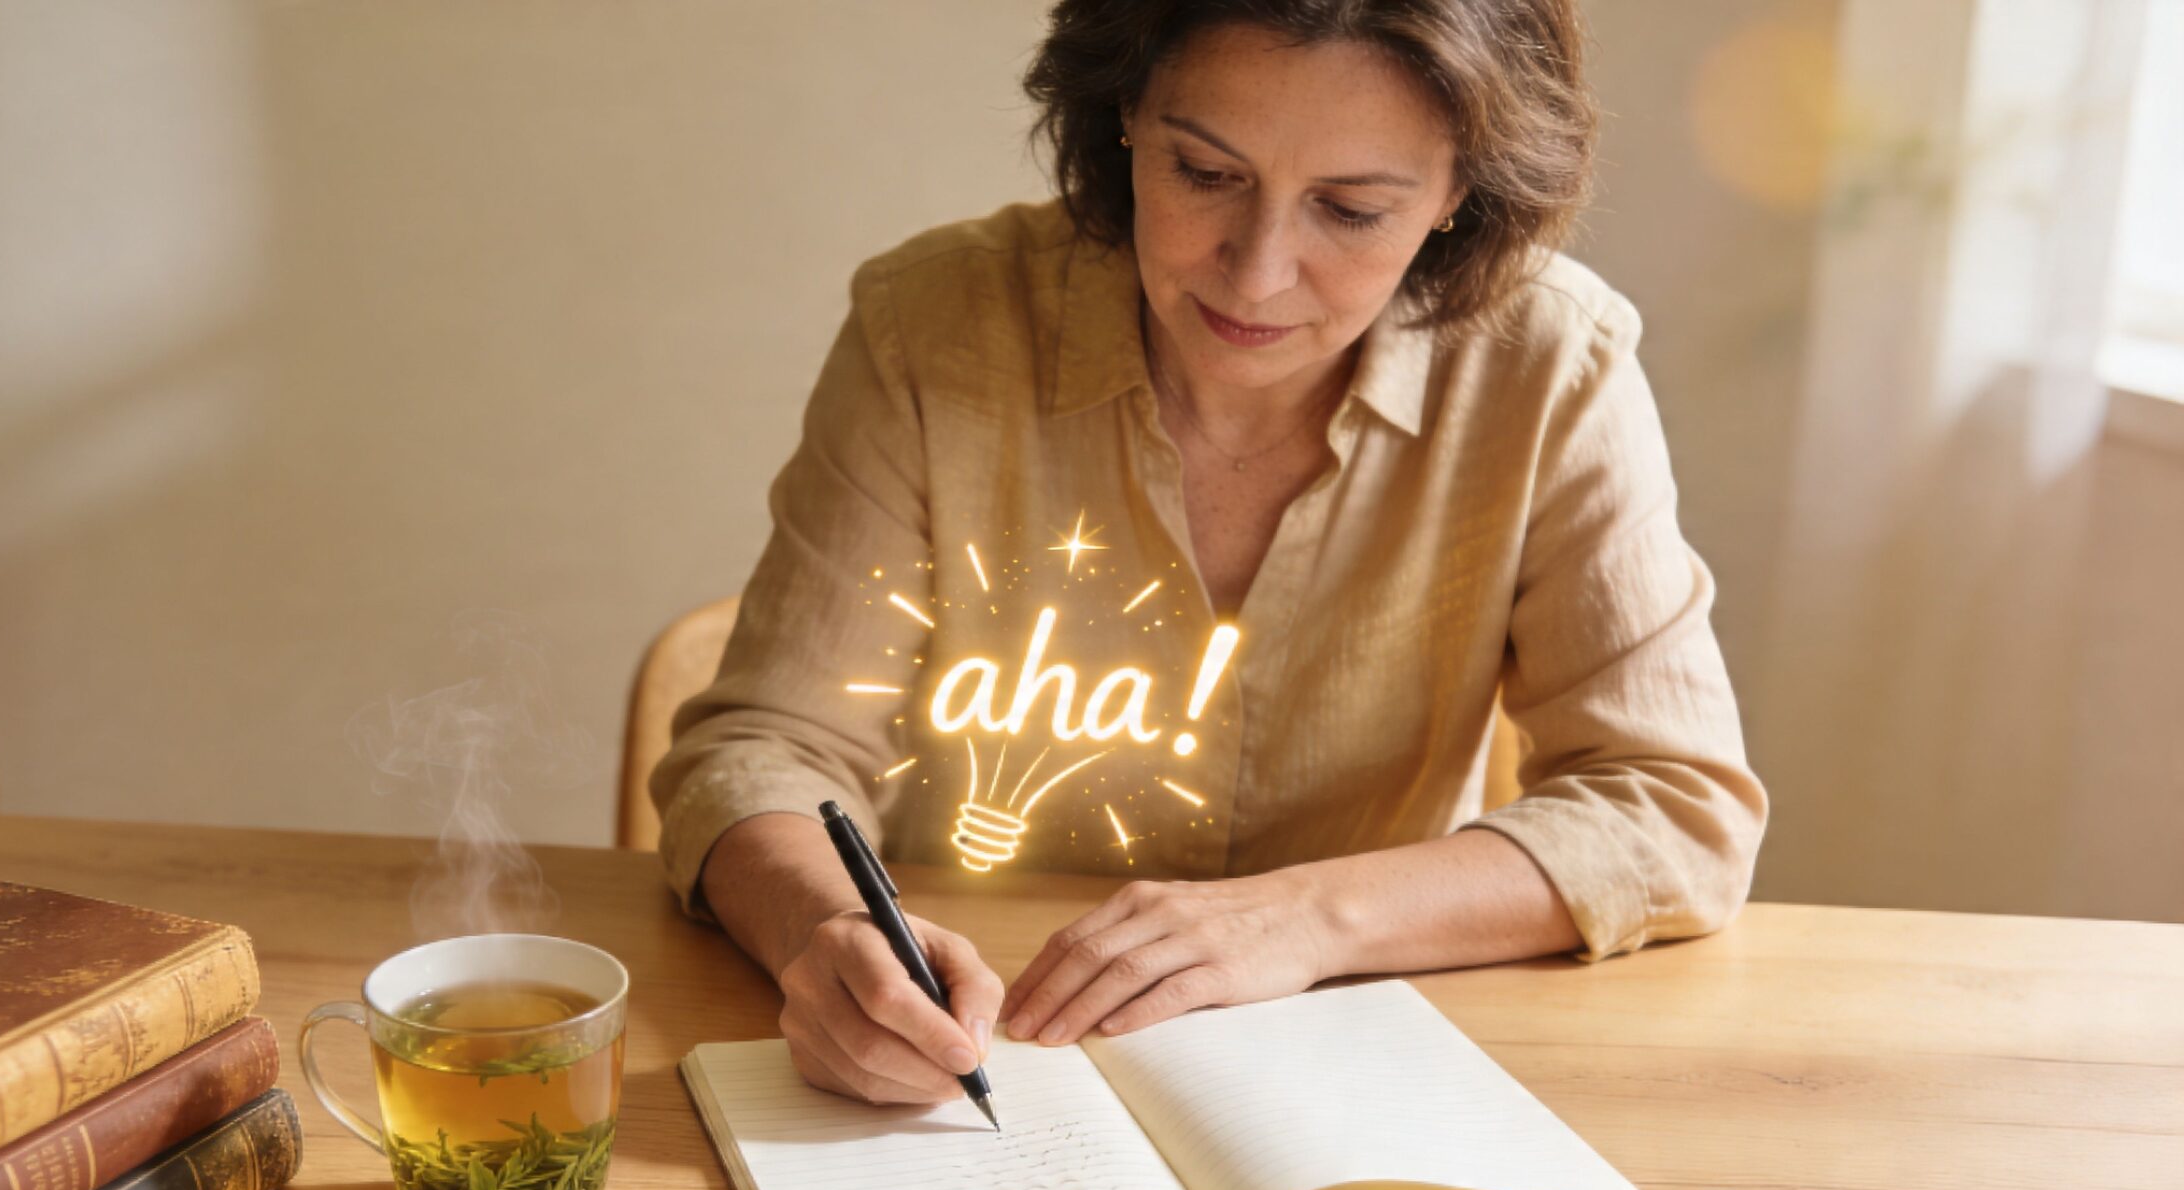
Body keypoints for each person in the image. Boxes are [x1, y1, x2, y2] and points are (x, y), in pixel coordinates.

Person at [651, 0, 1767, 1107]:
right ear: (1125, 116)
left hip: (1357, 1072)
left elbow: (1671, 806)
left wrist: (1305, 918)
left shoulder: (1550, 366)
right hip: (996, 1056)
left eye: (1349, 208)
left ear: (1456, 197)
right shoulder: (934, 325)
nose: (1256, 272)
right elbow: (764, 747)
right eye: (1204, 174)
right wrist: (823, 930)